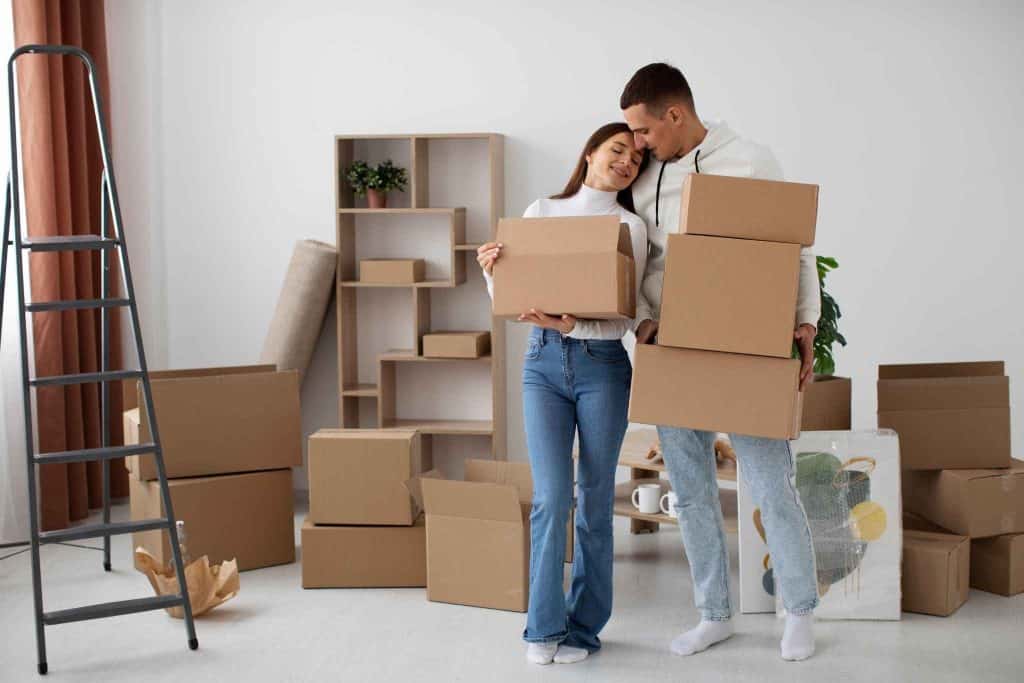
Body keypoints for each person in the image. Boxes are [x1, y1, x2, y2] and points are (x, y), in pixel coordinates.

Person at [620, 63, 822, 662]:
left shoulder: (751, 161)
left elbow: (796, 246)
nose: (637, 144)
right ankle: (714, 614)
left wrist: (807, 322)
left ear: (675, 115)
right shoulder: (644, 177)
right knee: (689, 489)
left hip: (746, 348)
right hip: (673, 350)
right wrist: (639, 319)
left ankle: (800, 611)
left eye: (645, 131)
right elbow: (633, 256)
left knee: (768, 483)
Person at [476, 122, 649, 666]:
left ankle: (584, 629)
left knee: (595, 503)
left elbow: (623, 312)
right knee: (552, 498)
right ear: (592, 152)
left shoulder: (630, 226)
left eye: (636, 160)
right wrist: (491, 272)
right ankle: (542, 626)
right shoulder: (541, 213)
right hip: (542, 365)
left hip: (602, 368)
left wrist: (571, 323)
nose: (626, 162)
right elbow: (517, 297)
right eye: (618, 150)